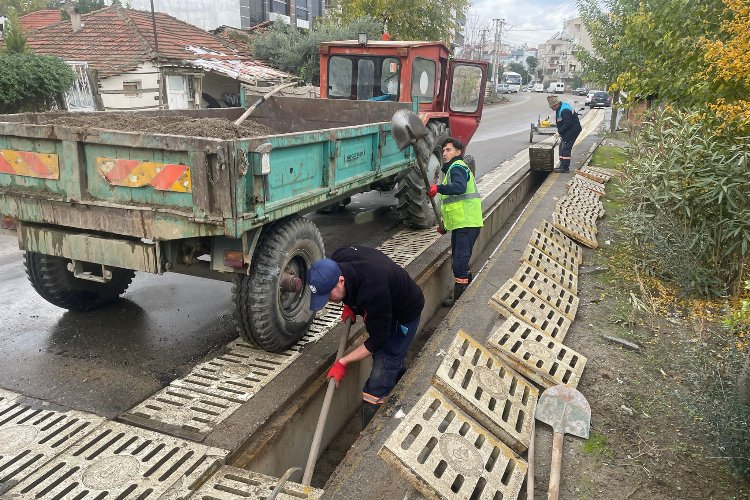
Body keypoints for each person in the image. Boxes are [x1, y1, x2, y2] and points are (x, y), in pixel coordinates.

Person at [307, 246, 424, 427]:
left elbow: (377, 340)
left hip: (405, 312)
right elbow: (354, 285)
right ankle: (396, 376)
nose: (328, 300)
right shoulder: (339, 258)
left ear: (341, 280)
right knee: (386, 360)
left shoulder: (373, 291)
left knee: (380, 375)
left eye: (328, 295)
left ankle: (369, 438)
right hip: (385, 302)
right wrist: (350, 304)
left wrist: (343, 362)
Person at [427, 137, 483, 306]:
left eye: (448, 150)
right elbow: (453, 204)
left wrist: (439, 188)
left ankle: (460, 302)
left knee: (459, 264)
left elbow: (460, 188)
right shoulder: (452, 169)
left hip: (467, 224)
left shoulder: (457, 167)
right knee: (460, 262)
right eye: (443, 150)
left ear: (458, 152)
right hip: (463, 224)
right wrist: (445, 226)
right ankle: (467, 294)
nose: (444, 153)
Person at [547, 95, 582, 173]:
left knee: (565, 148)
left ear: (556, 105)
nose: (552, 109)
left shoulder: (565, 110)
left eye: (552, 107)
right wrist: (560, 131)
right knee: (561, 147)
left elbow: (567, 123)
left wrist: (559, 132)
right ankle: (562, 166)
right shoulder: (560, 108)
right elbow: (561, 122)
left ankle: (565, 168)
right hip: (568, 130)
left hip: (572, 130)